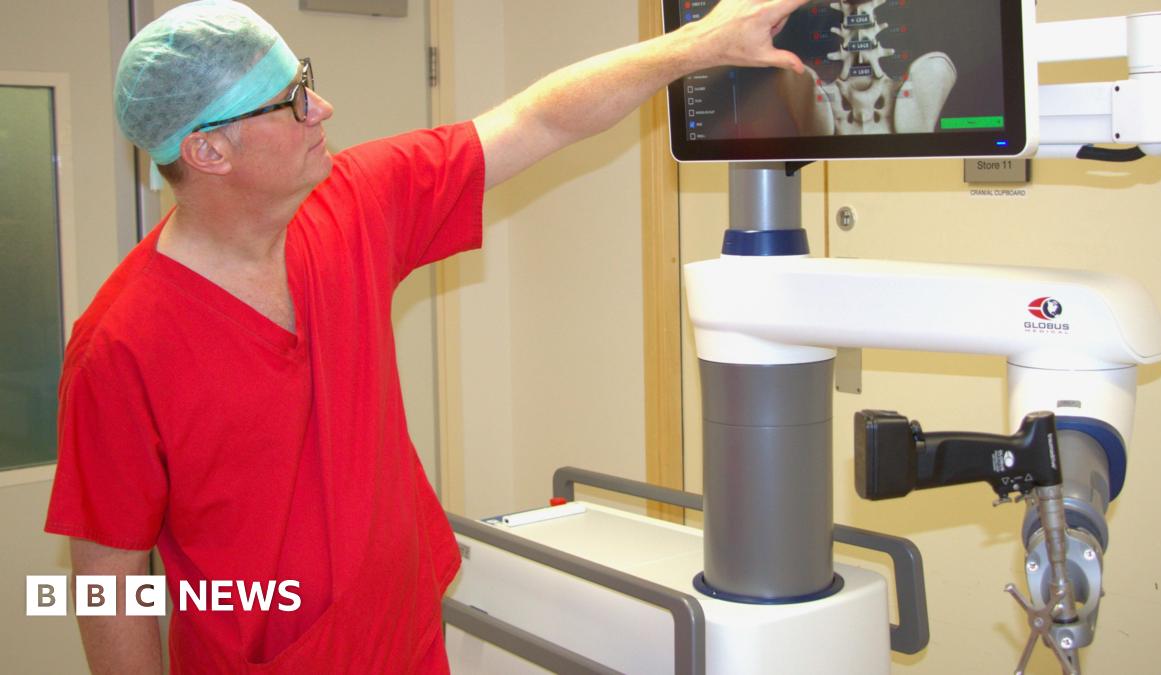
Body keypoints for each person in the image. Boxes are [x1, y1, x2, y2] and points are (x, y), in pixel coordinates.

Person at [44, 0, 809, 672]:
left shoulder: (351, 206)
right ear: (209, 151)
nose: (323, 108)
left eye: (305, 80)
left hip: (406, 643)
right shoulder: (121, 346)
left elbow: (538, 120)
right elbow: (106, 574)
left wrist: (700, 44)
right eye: (292, 101)